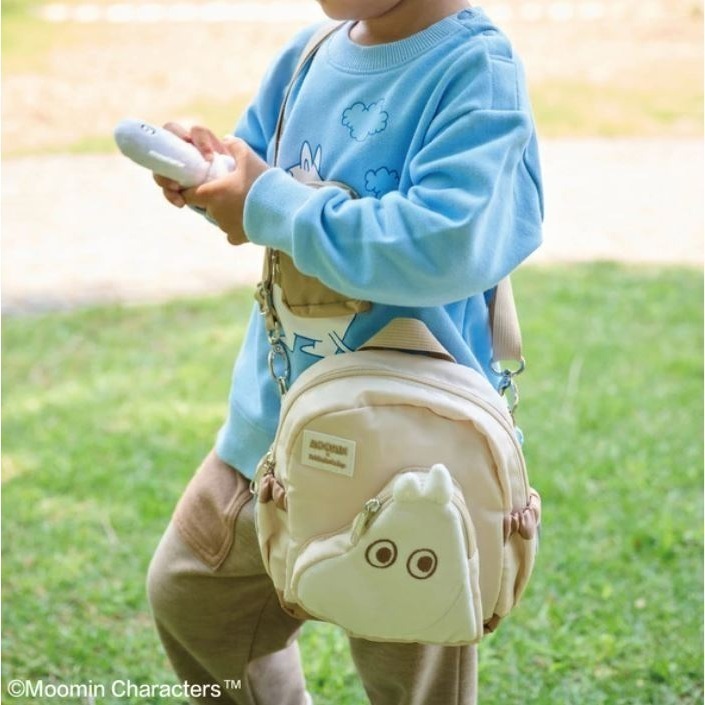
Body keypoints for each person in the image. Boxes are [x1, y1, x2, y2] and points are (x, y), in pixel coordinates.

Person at [146, 0, 543, 703]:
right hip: (270, 433)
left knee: (413, 674)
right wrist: (210, 177)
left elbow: (445, 243)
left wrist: (268, 202)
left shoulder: (474, 70)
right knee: (193, 598)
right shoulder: (307, 57)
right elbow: (258, 192)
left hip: (415, 462)